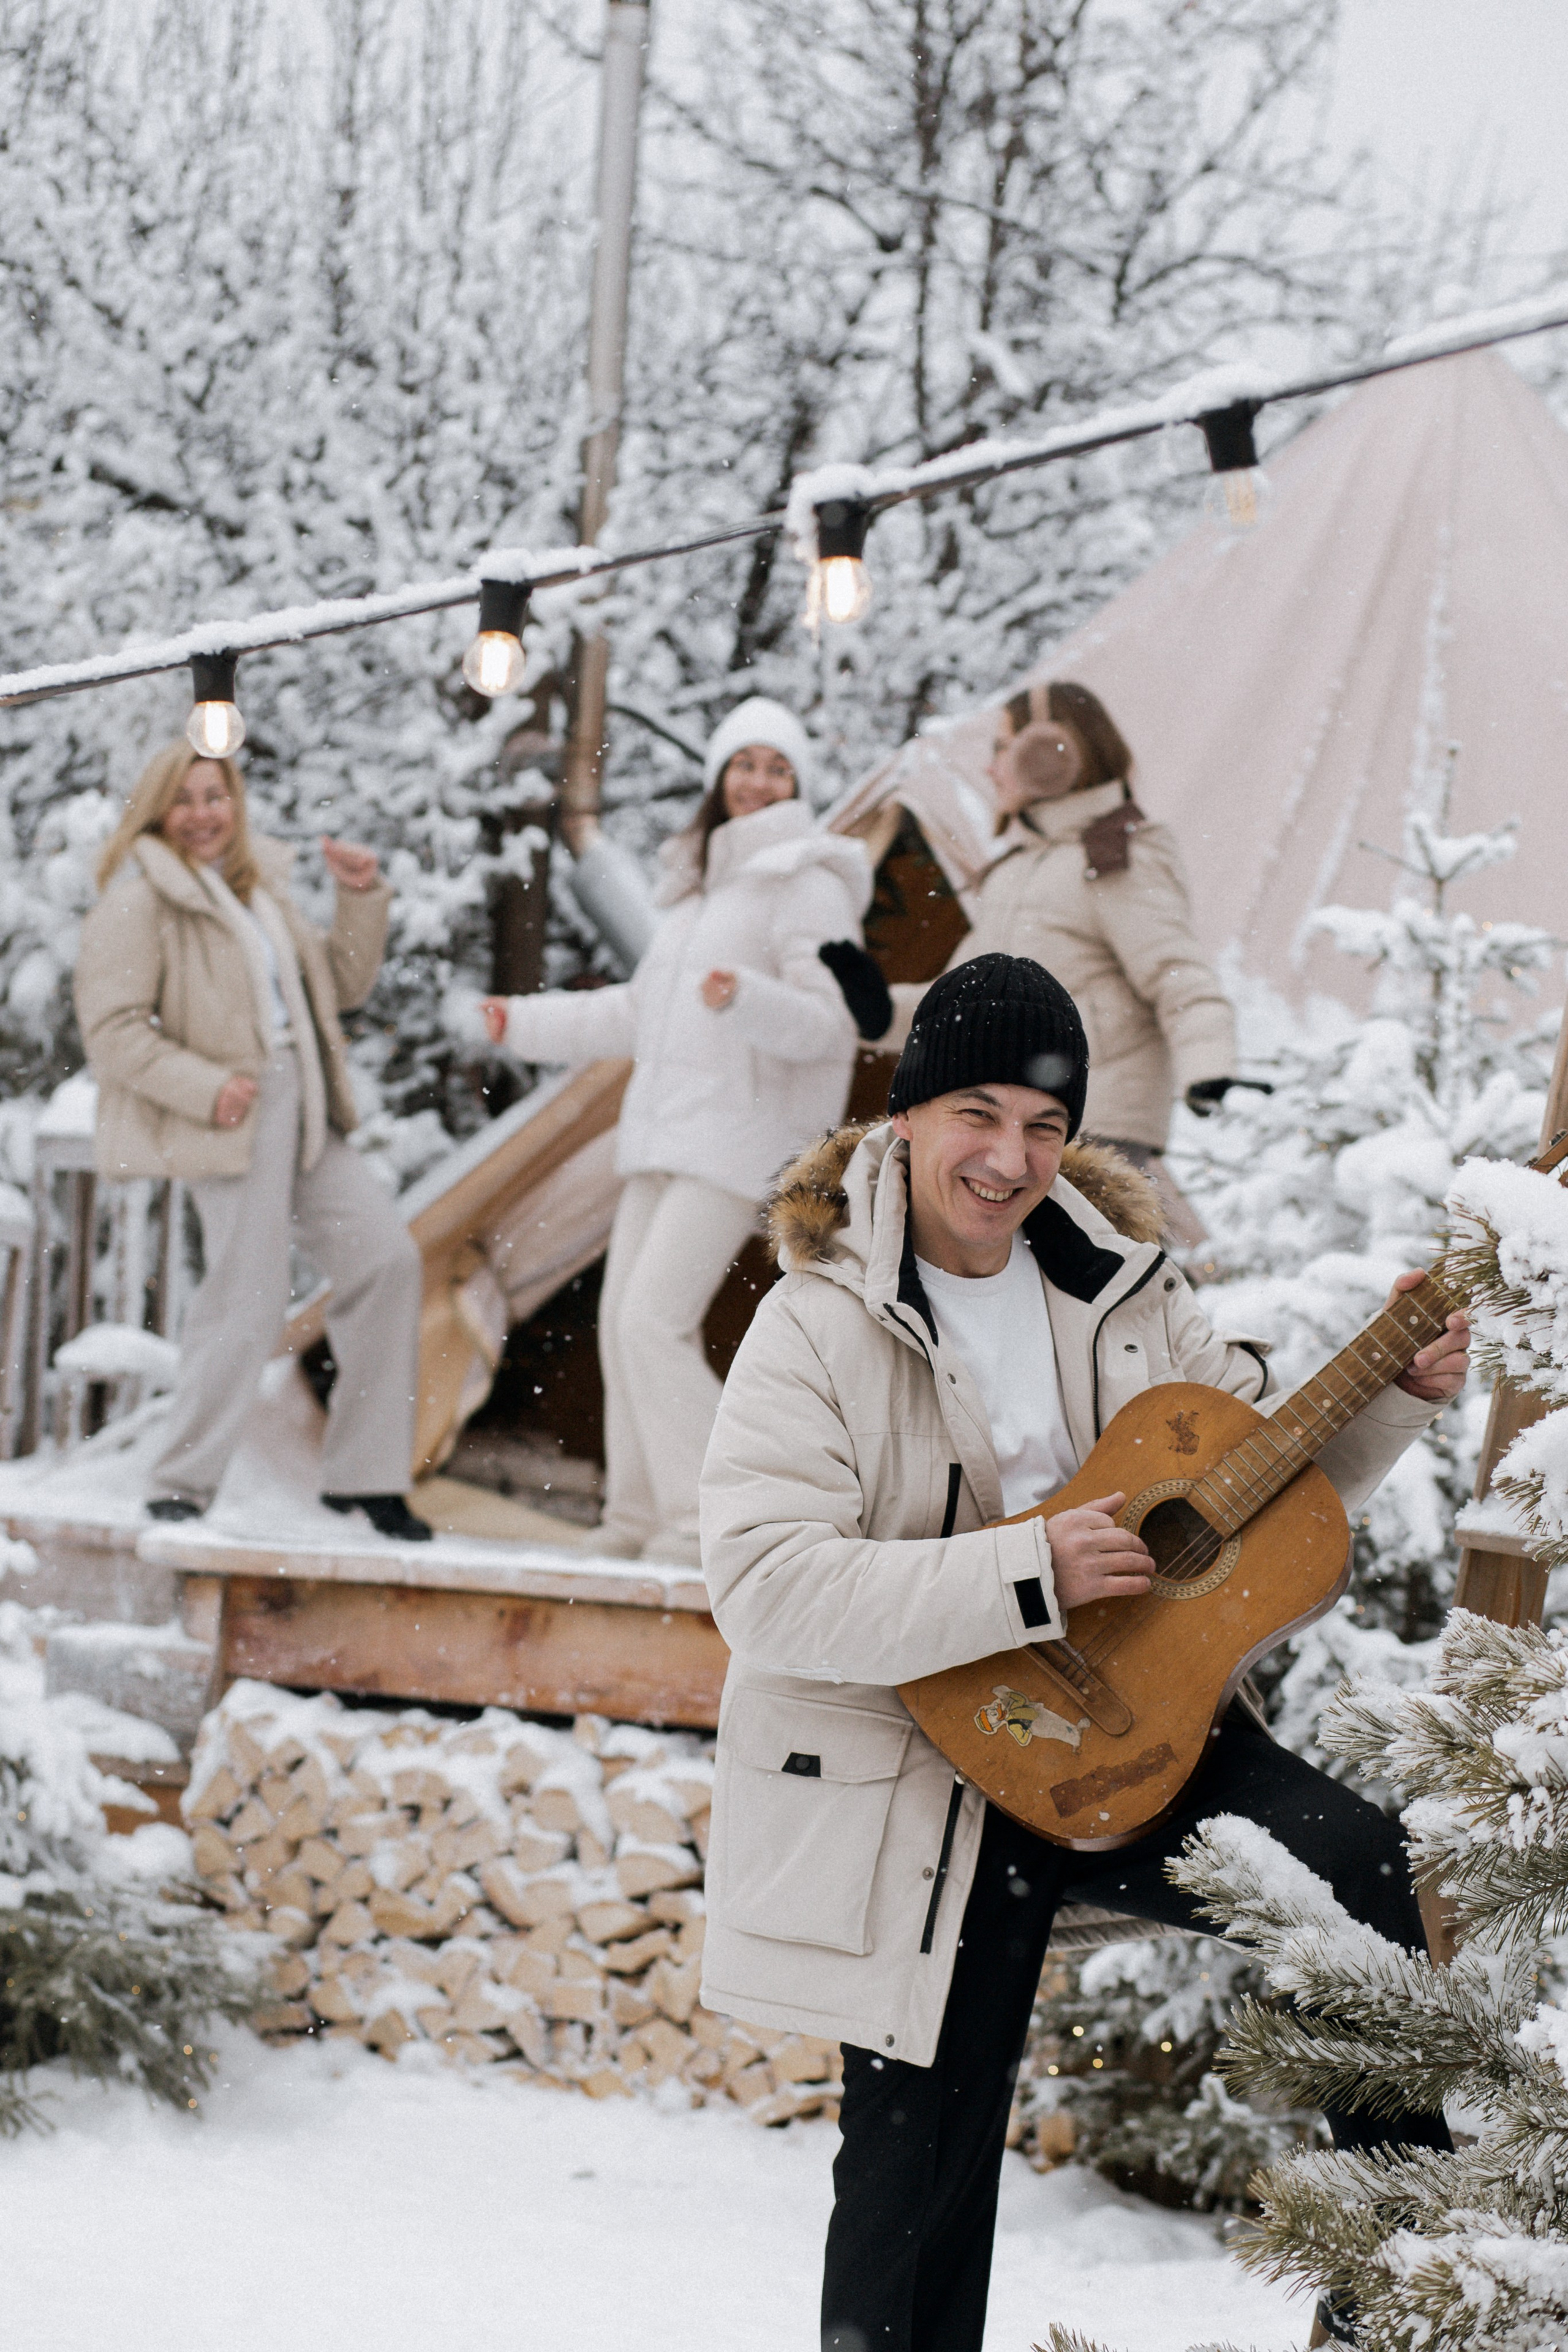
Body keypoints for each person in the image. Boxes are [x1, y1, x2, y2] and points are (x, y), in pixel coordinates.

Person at [697, 953, 1469, 2352]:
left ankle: (1386, 2301)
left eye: (1043, 1127)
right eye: (975, 1116)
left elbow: (1256, 1482)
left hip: (1144, 1734)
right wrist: (1020, 1572)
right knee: (914, 2142)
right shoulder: (811, 1322)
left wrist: (1395, 1401)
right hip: (924, 1770)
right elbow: (762, 1587)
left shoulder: (1127, 1292)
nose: (1008, 1159)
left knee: (1357, 1871)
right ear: (904, 1115)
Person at [483, 696, 870, 1566]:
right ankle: (635, 1519)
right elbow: (638, 1012)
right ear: (718, 778)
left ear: (799, 784)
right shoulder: (699, 891)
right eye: (744, 764)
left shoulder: (805, 881)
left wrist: (749, 999)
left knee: (655, 1323)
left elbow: (828, 1023)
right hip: (664, 1136)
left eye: (778, 767)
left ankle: (708, 1527)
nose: (759, 782)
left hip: (739, 1136)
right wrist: (524, 1024)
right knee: (623, 1322)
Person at [75, 741, 429, 1542]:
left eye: (216, 795)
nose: (204, 814)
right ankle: (181, 1483)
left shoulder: (258, 892)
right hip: (230, 1115)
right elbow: (114, 1033)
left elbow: (336, 989)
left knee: (385, 1261)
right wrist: (208, 1088)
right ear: (159, 810)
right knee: (247, 1294)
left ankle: (365, 1482)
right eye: (186, 798)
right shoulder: (141, 904)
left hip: (304, 1103)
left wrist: (360, 897)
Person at [887, 682, 1245, 1170]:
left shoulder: (1115, 856)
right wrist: (875, 1009)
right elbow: (961, 1004)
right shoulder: (1014, 870)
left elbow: (1175, 972)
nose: (991, 770)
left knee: (1116, 1244)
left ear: (1047, 754)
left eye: (1002, 751)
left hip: (1099, 1126)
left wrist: (1209, 1066)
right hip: (1022, 1128)